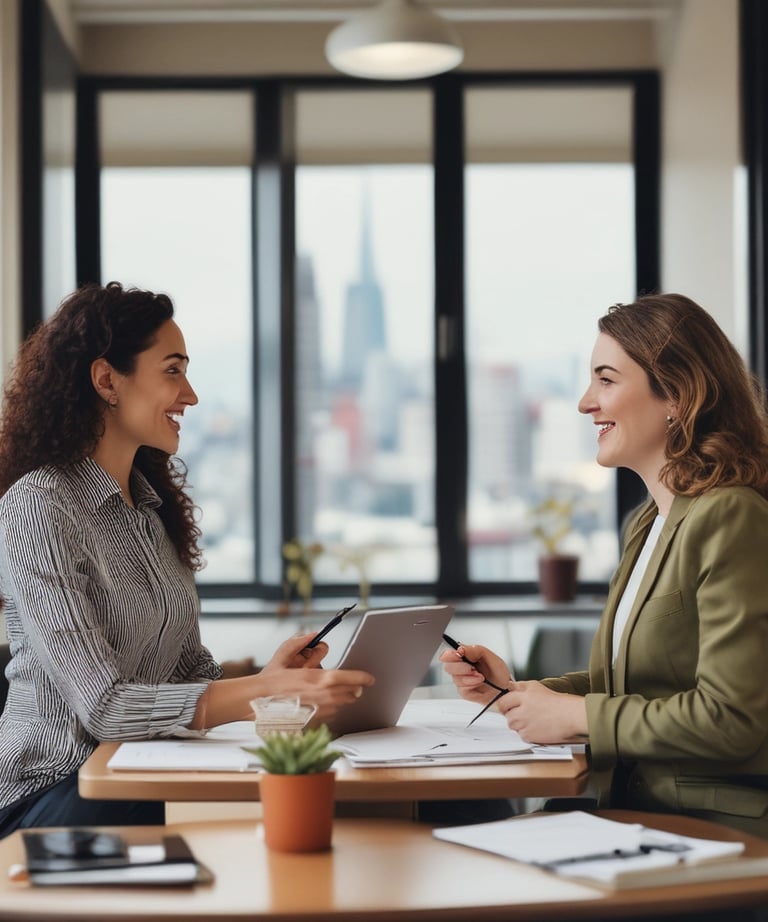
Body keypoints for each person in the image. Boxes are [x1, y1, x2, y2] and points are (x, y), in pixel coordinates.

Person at [0, 281, 374, 839]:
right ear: (106, 380)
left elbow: (188, 671)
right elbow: (105, 710)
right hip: (56, 793)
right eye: (172, 371)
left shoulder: (148, 511)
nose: (191, 395)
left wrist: (271, 680)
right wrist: (262, 694)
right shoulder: (39, 505)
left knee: (331, 803)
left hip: (138, 778)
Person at [441, 293, 768, 838]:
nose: (585, 403)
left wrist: (575, 717)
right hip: (637, 809)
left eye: (606, 380)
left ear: (677, 395)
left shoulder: (731, 516)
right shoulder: (649, 523)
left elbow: (731, 719)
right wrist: (518, 693)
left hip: (711, 827)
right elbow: (636, 683)